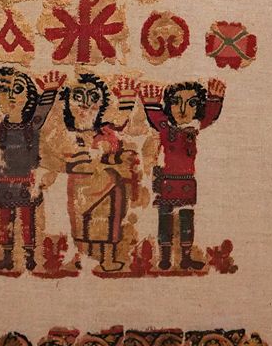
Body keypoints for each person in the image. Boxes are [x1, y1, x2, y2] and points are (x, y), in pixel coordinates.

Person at [0, 67, 56, 271]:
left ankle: (29, 256)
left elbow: (41, 111)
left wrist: (50, 91)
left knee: (27, 219)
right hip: (4, 179)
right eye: (5, 89)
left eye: (18, 89)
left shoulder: (32, 126)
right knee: (5, 219)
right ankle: (7, 257)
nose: (11, 95)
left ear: (29, 96)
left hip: (27, 180)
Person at [141, 78, 226, 270]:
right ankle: (165, 257)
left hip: (186, 182)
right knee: (165, 219)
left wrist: (215, 100)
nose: (182, 109)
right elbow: (158, 120)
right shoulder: (166, 130)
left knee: (186, 218)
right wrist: (151, 104)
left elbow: (208, 118)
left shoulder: (193, 129)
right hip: (167, 181)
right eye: (175, 102)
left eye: (192, 103)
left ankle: (185, 257)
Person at [58, 73, 140, 272]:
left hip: (108, 185)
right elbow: (67, 159)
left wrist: (127, 99)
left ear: (101, 105)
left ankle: (108, 260)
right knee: (80, 225)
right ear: (67, 103)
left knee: (108, 223)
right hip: (81, 187)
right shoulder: (66, 135)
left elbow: (119, 124)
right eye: (78, 97)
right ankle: (80, 257)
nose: (86, 104)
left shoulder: (104, 133)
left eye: (93, 98)